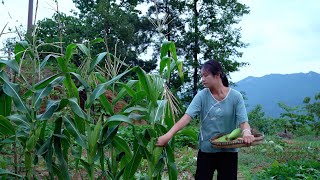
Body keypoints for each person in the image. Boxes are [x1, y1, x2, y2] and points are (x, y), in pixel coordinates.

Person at [156, 60, 255, 180]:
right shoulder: (202, 96)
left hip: (229, 151)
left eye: (206, 75)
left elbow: (243, 122)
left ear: (217, 75)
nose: (202, 79)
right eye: (201, 76)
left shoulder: (236, 97)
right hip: (207, 150)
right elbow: (187, 117)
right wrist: (168, 135)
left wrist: (247, 133)